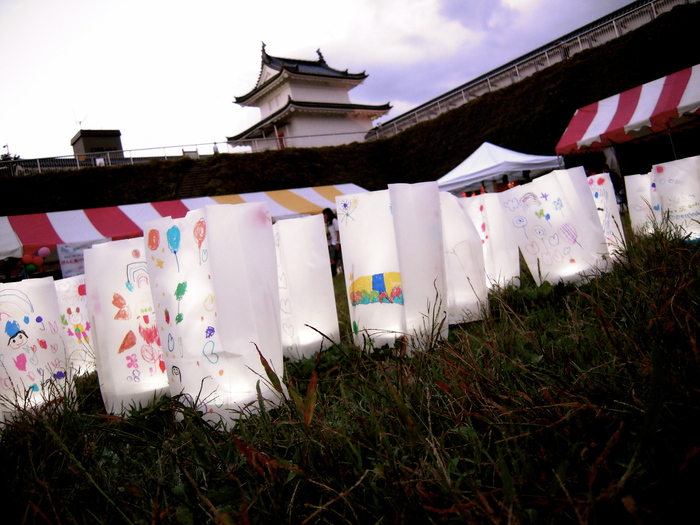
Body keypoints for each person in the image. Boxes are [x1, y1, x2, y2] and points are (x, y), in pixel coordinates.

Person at [322, 208, 341, 276]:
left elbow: (337, 231)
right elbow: (331, 234)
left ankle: (335, 272)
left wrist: (337, 242)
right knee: (332, 258)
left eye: (325, 215)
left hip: (336, 242)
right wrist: (330, 244)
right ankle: (334, 272)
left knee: (335, 258)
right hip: (332, 243)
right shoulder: (328, 223)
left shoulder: (334, 221)